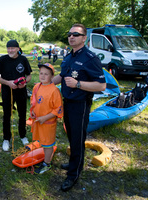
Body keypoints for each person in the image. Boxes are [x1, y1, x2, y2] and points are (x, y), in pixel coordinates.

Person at [52, 24, 106, 191]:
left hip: (80, 104)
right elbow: (62, 76)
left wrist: (79, 84)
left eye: (76, 34)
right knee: (71, 135)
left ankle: (74, 174)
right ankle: (74, 162)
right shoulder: (68, 57)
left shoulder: (91, 58)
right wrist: (44, 83)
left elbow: (102, 86)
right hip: (66, 102)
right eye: (70, 34)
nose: (71, 36)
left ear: (84, 38)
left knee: (77, 138)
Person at [0, 39, 32, 151]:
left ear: (18, 49)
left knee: (22, 114)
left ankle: (23, 135)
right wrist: (8, 83)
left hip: (21, 91)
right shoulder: (2, 59)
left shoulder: (23, 59)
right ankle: (6, 138)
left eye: (13, 48)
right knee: (6, 115)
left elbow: (28, 76)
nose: (10, 50)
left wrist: (24, 82)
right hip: (7, 91)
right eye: (8, 48)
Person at [30, 63, 63, 174]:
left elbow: (58, 109)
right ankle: (45, 157)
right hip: (38, 121)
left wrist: (45, 118)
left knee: (48, 144)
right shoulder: (36, 87)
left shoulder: (54, 90)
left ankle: (47, 163)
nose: (43, 76)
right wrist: (33, 113)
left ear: (52, 77)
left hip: (48, 123)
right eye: (41, 73)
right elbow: (33, 102)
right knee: (42, 141)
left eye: (46, 74)